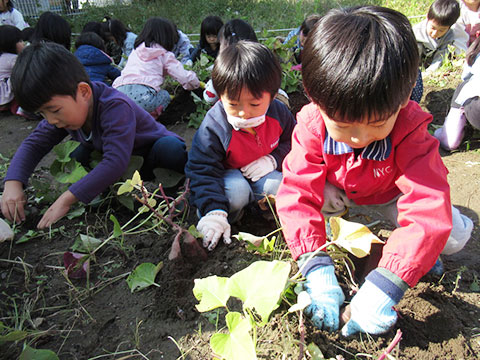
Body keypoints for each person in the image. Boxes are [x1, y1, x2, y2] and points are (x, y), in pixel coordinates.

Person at [276, 5, 473, 337]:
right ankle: (378, 246)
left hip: (390, 198)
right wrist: (316, 269)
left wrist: (389, 283)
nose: (359, 138)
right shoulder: (311, 124)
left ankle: (413, 256)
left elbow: (427, 209)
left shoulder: (411, 129)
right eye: (342, 126)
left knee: (452, 233)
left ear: (403, 97)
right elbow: (296, 195)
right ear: (315, 98)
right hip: (340, 202)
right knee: (303, 203)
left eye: (377, 124)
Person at [1, 42, 187, 228]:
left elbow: (115, 161)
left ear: (83, 92)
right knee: (78, 155)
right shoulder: (63, 114)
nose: (50, 120)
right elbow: (34, 144)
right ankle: (105, 193)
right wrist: (13, 182)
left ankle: (175, 192)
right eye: (42, 114)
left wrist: (67, 199)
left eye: (54, 110)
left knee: (170, 149)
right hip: (125, 168)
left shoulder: (115, 106)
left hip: (150, 157)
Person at [185, 41, 296, 251]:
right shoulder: (215, 125)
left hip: (260, 172)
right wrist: (214, 210)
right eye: (233, 104)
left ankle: (263, 212)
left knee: (279, 187)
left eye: (254, 104)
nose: (244, 112)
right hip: (226, 176)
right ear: (220, 97)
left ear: (272, 96)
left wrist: (274, 159)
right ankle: (229, 218)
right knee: (236, 193)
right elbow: (202, 169)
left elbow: (294, 141)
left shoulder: (279, 114)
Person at [113, 17, 199, 118]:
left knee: (129, 112)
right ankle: (149, 120)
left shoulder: (135, 52)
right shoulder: (164, 54)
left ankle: (132, 120)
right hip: (143, 99)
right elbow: (184, 77)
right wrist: (196, 83)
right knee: (165, 96)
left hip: (118, 94)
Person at [434, 35, 480, 150]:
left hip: (476, 109)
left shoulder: (475, 50)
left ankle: (449, 136)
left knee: (466, 85)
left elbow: (466, 76)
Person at [203, 19, 258, 105]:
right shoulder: (260, 67)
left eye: (220, 45)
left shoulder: (225, 73)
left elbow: (209, 98)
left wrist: (210, 83)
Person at [413, 0, 462, 75]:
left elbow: (440, 57)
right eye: (433, 28)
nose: (435, 33)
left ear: (449, 27)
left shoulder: (449, 35)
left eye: (441, 30)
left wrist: (429, 72)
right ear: (427, 18)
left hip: (430, 62)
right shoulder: (416, 32)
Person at [0, 25, 24, 114]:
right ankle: (21, 108)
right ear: (10, 44)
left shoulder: (2, 57)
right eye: (20, 41)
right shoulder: (13, 58)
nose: (23, 44)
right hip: (5, 96)